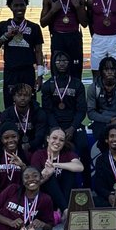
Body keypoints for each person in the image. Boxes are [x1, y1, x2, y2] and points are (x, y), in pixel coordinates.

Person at [40, 49, 90, 183]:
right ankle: (48, 180)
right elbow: (47, 110)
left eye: (64, 61)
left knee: (84, 145)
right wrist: (56, 129)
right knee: (45, 145)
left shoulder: (77, 84)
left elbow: (81, 110)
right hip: (54, 125)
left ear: (69, 63)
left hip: (73, 124)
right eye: (58, 61)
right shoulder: (47, 85)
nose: (61, 64)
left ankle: (86, 184)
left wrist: (73, 128)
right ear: (53, 63)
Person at [0, 0, 45, 109]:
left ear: (26, 6)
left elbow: (39, 51)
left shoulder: (34, 27)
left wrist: (40, 76)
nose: (19, 8)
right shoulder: (3, 26)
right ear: (10, 7)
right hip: (11, 71)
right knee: (10, 104)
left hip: (28, 71)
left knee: (30, 104)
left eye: (22, 5)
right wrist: (6, 36)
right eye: (16, 5)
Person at [40, 0, 88, 80]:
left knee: (76, 71)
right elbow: (42, 23)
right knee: (57, 70)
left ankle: (76, 96)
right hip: (58, 37)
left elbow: (85, 23)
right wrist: (53, 10)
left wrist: (77, 7)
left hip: (74, 37)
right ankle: (58, 95)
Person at [0, 166, 54, 230]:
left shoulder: (45, 199)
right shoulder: (13, 189)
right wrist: (10, 222)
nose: (31, 179)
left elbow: (49, 226)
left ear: (41, 178)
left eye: (35, 176)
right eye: (26, 177)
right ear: (23, 182)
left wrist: (43, 224)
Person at [31, 127, 84, 218]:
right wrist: (45, 174)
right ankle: (65, 210)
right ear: (48, 139)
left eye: (61, 140)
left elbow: (80, 167)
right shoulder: (38, 154)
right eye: (54, 138)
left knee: (69, 172)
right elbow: (35, 183)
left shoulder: (67, 153)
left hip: (65, 194)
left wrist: (55, 165)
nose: (57, 142)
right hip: (47, 195)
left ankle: (62, 209)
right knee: (50, 177)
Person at [86, 55, 116, 146]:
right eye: (106, 69)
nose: (109, 72)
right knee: (100, 143)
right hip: (101, 121)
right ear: (101, 71)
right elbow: (90, 112)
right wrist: (109, 120)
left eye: (112, 69)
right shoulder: (93, 88)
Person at [0, 81, 48, 159]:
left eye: (26, 95)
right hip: (13, 148)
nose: (22, 98)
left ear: (30, 97)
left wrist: (30, 145)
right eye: (19, 95)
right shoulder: (7, 114)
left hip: (34, 148)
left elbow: (40, 135)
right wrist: (18, 147)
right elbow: (5, 136)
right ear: (14, 97)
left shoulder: (39, 112)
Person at [0, 124, 26, 195]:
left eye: (14, 137)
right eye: (6, 138)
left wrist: (22, 166)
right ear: (1, 139)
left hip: (20, 197)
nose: (10, 140)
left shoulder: (26, 155)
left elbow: (30, 178)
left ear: (18, 137)